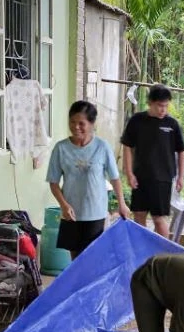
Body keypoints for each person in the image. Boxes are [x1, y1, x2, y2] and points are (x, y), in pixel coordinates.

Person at [46, 101, 128, 259]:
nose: (76, 127)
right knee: (76, 260)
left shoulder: (102, 147)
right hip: (71, 214)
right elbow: (53, 183)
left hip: (95, 214)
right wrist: (64, 205)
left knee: (93, 259)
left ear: (92, 124)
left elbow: (115, 178)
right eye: (72, 122)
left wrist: (122, 204)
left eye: (81, 123)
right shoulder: (61, 148)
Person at [121, 85, 184, 238]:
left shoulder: (172, 124)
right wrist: (129, 173)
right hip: (140, 177)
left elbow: (182, 151)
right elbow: (127, 146)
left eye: (166, 106)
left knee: (159, 219)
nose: (163, 110)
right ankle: (142, 250)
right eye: (159, 105)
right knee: (139, 215)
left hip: (162, 179)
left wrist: (181, 177)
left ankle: (164, 251)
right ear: (150, 103)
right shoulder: (137, 120)